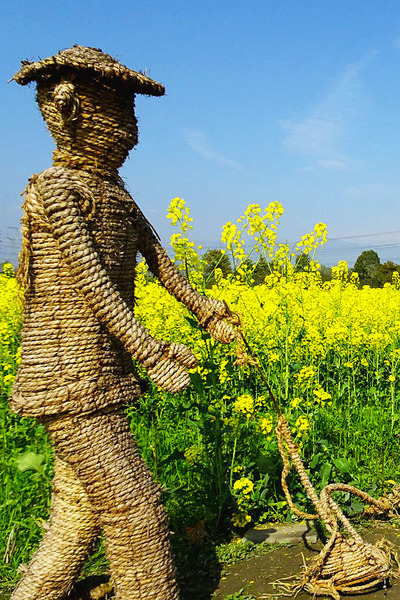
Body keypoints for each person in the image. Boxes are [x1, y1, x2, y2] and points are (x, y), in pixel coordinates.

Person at [11, 45, 237, 600]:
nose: (131, 127)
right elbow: (96, 288)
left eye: (132, 113)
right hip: (67, 378)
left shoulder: (114, 194)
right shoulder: (56, 191)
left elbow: (161, 262)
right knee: (134, 511)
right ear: (70, 110)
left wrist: (209, 312)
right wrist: (150, 350)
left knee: (77, 515)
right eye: (120, 110)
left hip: (98, 376)